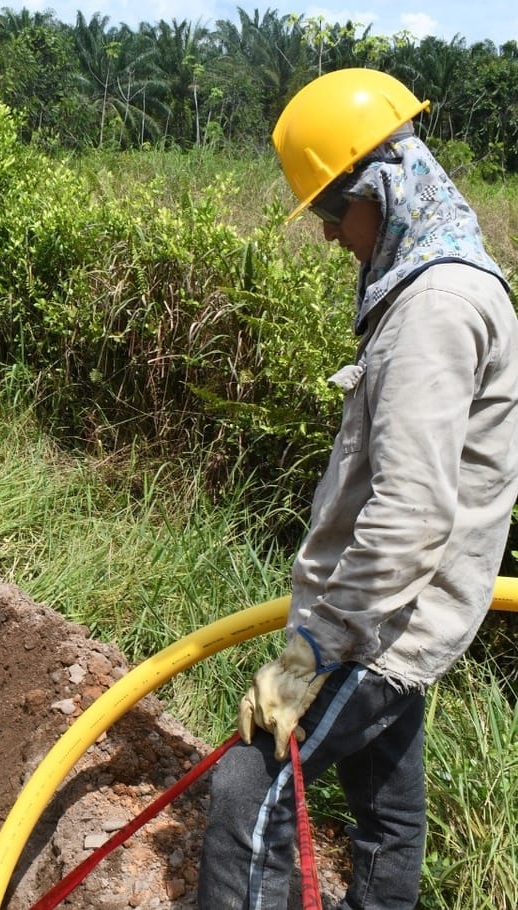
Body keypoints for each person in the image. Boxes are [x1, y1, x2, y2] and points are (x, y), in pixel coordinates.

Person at [197, 68, 518, 909]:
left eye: (335, 211)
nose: (331, 232)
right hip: (389, 614)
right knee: (385, 815)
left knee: (247, 790)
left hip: (378, 626)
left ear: (379, 188)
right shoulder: (438, 280)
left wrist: (310, 654)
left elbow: (410, 516)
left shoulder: (435, 307)